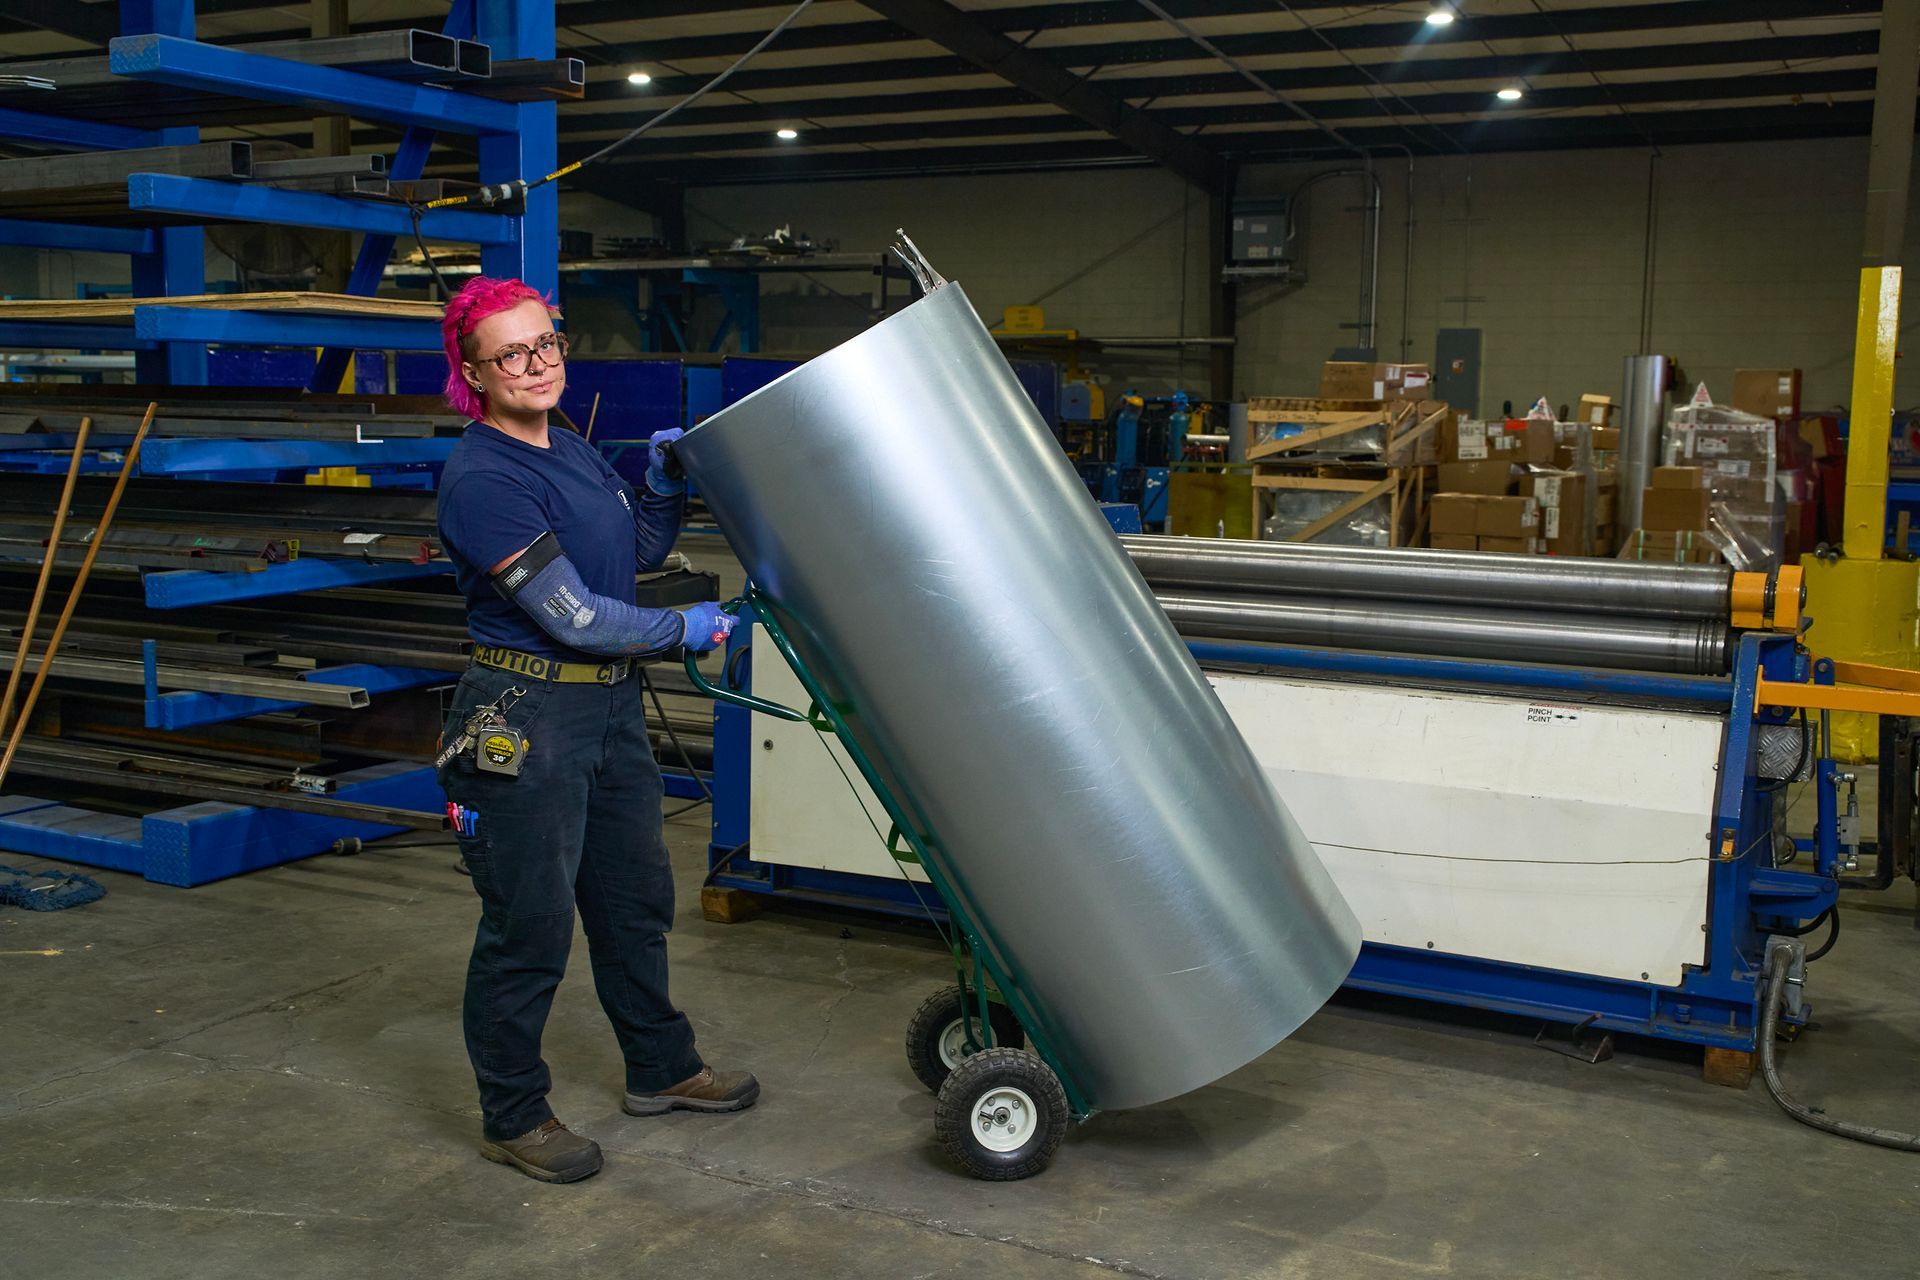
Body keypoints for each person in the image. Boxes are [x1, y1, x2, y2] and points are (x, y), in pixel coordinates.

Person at [433, 275, 757, 1184]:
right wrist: (681, 629)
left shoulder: (570, 449)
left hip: (608, 709)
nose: (536, 365)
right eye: (511, 354)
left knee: (631, 901)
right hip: (526, 716)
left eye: (547, 345)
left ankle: (661, 1067)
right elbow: (574, 614)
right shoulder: (482, 477)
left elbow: (634, 558)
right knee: (528, 925)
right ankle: (514, 1113)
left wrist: (657, 490)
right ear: (474, 371)